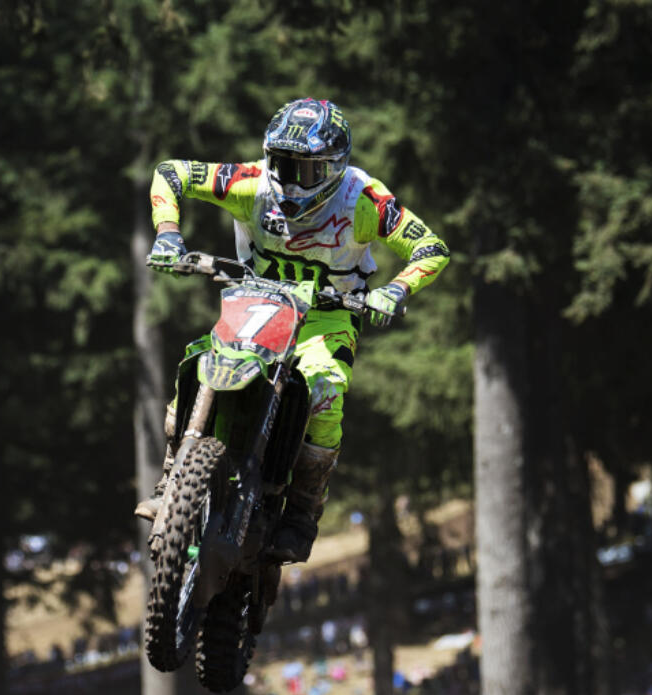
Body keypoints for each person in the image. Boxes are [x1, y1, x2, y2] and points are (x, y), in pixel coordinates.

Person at [136, 97, 451, 562]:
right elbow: (171, 173)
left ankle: (303, 509)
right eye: (281, 163)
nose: (287, 179)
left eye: (303, 170)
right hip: (255, 302)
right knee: (201, 359)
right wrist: (167, 232)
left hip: (327, 317)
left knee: (325, 390)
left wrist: (396, 290)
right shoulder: (251, 184)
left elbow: (430, 247)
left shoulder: (364, 201)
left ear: (334, 167)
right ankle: (171, 477)